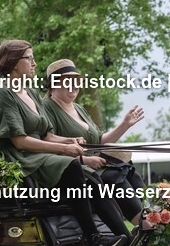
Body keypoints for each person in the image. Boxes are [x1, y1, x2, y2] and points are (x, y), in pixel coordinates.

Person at [0, 40, 131, 246]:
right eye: (30, 58)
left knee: (92, 180)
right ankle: (94, 237)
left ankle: (128, 241)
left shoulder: (31, 92)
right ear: (15, 62)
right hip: (20, 158)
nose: (34, 63)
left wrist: (69, 140)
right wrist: (64, 149)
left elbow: (47, 135)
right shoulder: (3, 93)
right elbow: (20, 141)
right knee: (71, 164)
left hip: (37, 153)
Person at [43, 58, 147, 223]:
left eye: (77, 81)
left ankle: (154, 215)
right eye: (68, 81)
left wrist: (125, 124)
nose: (74, 86)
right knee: (114, 177)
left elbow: (99, 141)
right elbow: (47, 147)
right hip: (74, 172)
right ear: (53, 84)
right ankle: (143, 224)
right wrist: (85, 160)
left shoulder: (79, 108)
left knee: (129, 170)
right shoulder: (46, 107)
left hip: (95, 166)